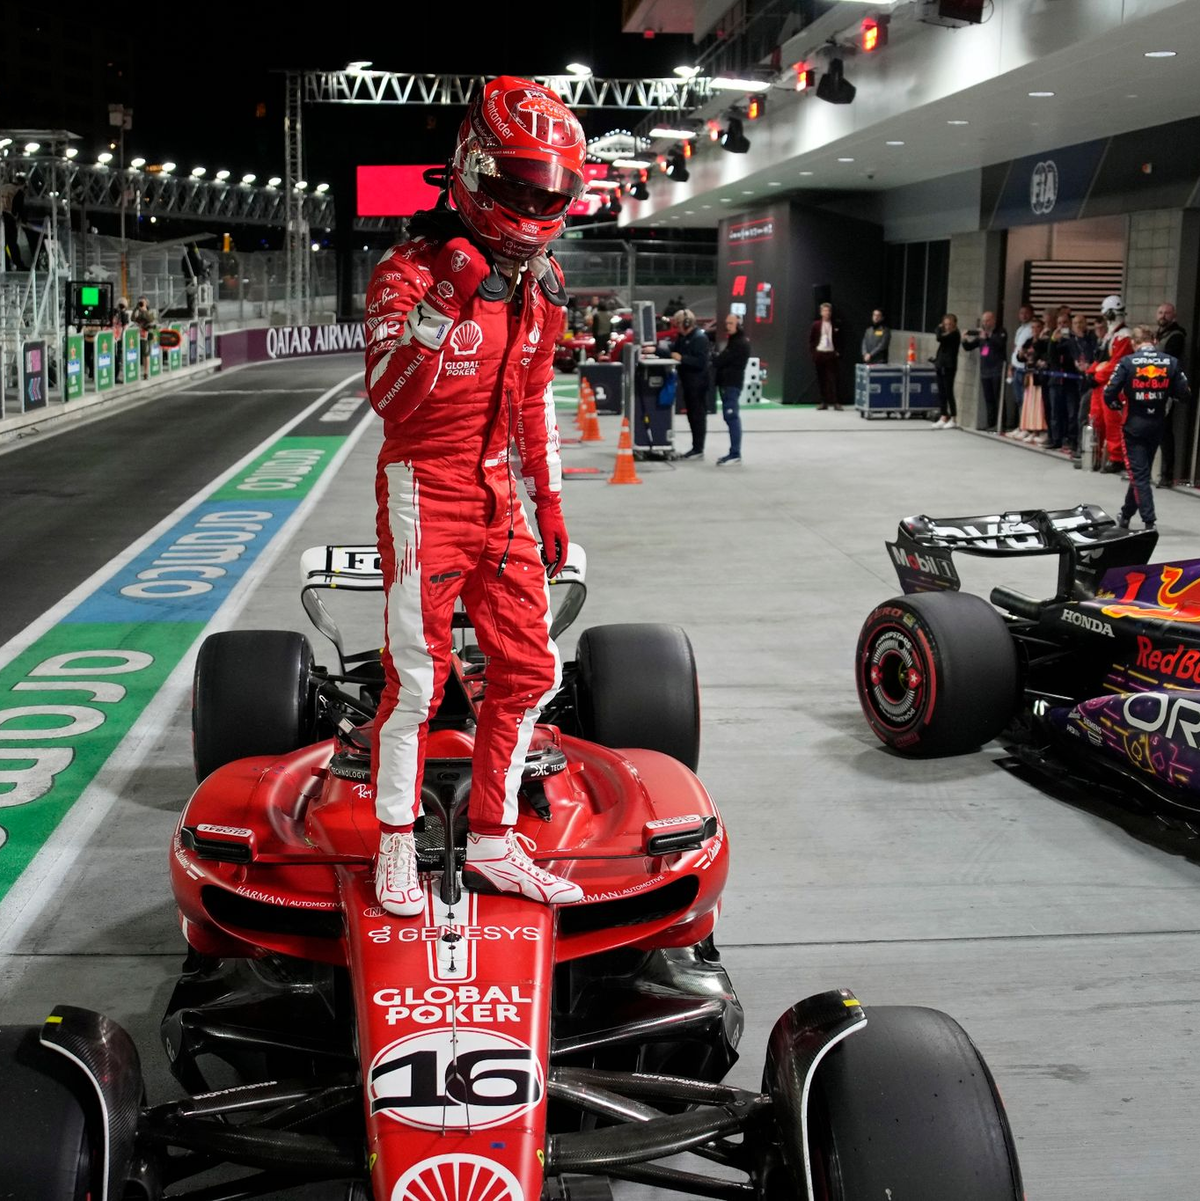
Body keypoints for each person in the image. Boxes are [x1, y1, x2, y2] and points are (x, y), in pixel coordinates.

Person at [363, 75, 587, 916]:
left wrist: (549, 500)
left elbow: (534, 401)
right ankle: (395, 839)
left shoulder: (542, 285)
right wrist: (445, 300)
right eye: (519, 187)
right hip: (422, 485)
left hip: (498, 492)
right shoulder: (407, 271)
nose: (532, 206)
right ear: (473, 170)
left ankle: (493, 840)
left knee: (531, 668)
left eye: (548, 192)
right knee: (417, 680)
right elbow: (389, 398)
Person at [1103, 324, 1191, 530]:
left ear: (1134, 343)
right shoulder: (1170, 361)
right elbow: (1185, 394)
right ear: (1154, 340)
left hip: (1133, 424)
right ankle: (1125, 515)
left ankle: (1149, 521)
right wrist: (1167, 396)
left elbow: (1109, 392)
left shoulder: (1128, 362)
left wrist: (1118, 406)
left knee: (1139, 474)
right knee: (1140, 471)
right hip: (1157, 424)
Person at [1086, 295, 1133, 473]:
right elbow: (1101, 359)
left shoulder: (1124, 336)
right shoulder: (1110, 335)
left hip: (1113, 386)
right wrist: (1090, 373)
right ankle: (1095, 455)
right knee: (1096, 420)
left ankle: (1116, 458)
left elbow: (1117, 363)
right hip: (1101, 385)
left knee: (1113, 422)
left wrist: (1096, 376)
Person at [1155, 302, 1189, 487]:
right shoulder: (1159, 334)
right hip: (1153, 387)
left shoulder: (1176, 336)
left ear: (1173, 316)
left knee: (1164, 431)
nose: (1163, 316)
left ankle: (1167, 474)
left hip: (1166, 389)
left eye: (1166, 313)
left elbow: (1168, 361)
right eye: (1160, 312)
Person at [671, 309, 711, 459]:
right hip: (688, 382)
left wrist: (682, 358)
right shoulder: (683, 338)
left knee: (697, 416)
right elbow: (673, 352)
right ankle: (696, 447)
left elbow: (700, 362)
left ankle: (698, 448)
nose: (677, 328)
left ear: (687, 323)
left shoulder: (699, 338)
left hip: (697, 383)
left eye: (679, 324)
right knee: (691, 415)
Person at [713, 313, 750, 464]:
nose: (727, 326)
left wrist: (716, 358)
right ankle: (735, 452)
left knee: (732, 417)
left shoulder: (739, 344)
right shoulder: (734, 341)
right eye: (727, 323)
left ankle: (735, 453)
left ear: (738, 325)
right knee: (730, 417)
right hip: (727, 384)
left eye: (731, 323)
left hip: (731, 385)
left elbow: (720, 361)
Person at [962, 312, 1007, 430]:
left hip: (997, 370)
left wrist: (988, 337)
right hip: (985, 370)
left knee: (998, 398)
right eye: (983, 321)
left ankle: (1001, 423)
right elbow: (969, 347)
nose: (985, 323)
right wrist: (964, 339)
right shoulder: (982, 335)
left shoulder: (1000, 332)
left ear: (993, 320)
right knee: (989, 399)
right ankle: (991, 423)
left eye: (987, 320)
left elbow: (1000, 345)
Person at [1010, 319, 1048, 442]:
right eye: (1033, 327)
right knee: (1028, 404)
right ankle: (1028, 428)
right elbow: (1021, 357)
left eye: (1038, 327)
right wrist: (1020, 355)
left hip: (1039, 377)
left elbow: (1042, 355)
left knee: (1038, 405)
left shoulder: (1044, 341)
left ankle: (1039, 430)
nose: (1035, 330)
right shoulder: (1029, 341)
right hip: (1029, 375)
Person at [809, 301, 842, 409]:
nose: (827, 313)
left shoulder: (835, 324)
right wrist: (814, 353)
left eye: (828, 311)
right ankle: (824, 402)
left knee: (833, 379)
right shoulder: (816, 325)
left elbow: (840, 339)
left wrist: (838, 351)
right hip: (820, 353)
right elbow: (811, 340)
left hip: (831, 354)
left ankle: (836, 402)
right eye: (824, 310)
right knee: (821, 379)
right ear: (821, 312)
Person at [931, 313, 961, 429]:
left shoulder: (954, 334)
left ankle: (953, 417)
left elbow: (939, 338)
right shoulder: (946, 334)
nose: (947, 327)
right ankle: (944, 415)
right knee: (941, 391)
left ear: (954, 324)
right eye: (946, 324)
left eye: (950, 324)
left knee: (949, 392)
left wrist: (938, 328)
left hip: (949, 366)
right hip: (940, 365)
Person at [0, 174, 26, 271]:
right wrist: (22, 219)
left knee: (3, 243)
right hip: (8, 217)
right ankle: (18, 263)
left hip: (1, 217)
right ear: (22, 184)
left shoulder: (3, 188)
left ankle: (5, 264)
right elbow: (19, 207)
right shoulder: (17, 191)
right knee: (12, 243)